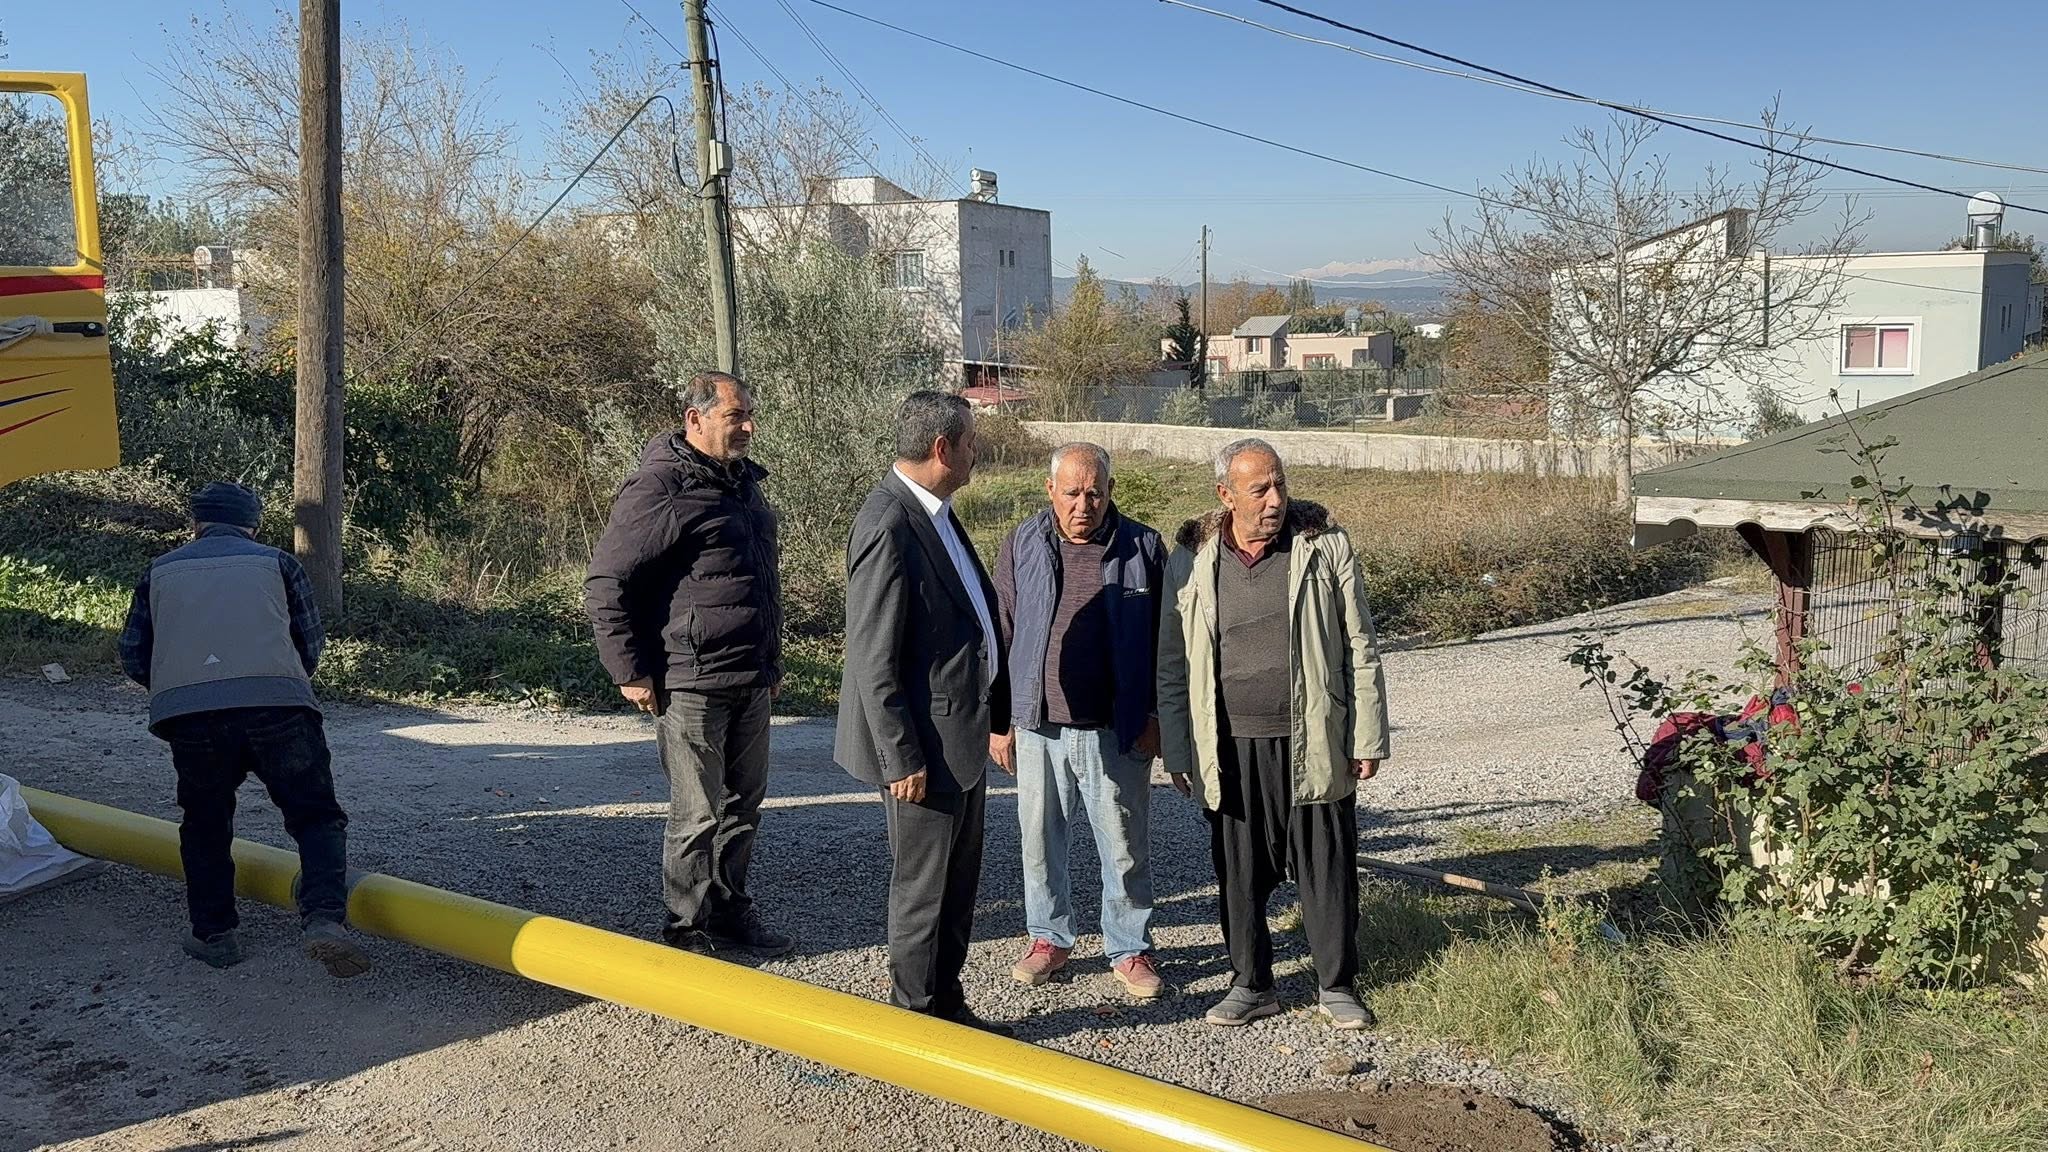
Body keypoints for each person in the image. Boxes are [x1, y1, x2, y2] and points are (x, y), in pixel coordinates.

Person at [1156, 438, 1391, 1030]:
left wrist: (1367, 734)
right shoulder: (1192, 559)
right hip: (1230, 744)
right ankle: (1251, 983)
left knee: (1326, 866)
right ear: (1225, 494)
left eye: (1279, 484)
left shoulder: (1324, 547)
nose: (1275, 499)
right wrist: (1180, 748)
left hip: (1312, 737)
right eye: (1259, 488)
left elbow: (1360, 646)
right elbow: (1172, 663)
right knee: (1238, 871)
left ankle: (1336, 984)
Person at [117, 481, 369, 978]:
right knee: (315, 816)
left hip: (192, 718)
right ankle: (323, 919)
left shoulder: (160, 571)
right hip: (279, 709)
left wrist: (188, 687)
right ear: (252, 524)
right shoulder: (277, 563)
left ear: (197, 523)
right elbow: (309, 644)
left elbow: (133, 654)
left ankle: (215, 936)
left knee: (205, 824)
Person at [585, 371, 793, 958]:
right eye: (736, 417)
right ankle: (685, 928)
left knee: (743, 806)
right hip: (691, 680)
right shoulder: (661, 486)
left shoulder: (743, 485)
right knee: (696, 812)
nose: (749, 427)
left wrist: (769, 663)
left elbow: (760, 584)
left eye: (749, 415)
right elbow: (607, 581)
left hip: (749, 676)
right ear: (694, 419)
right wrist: (629, 669)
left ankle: (729, 914)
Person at [835, 390, 1013, 1035]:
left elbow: (969, 623)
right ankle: (915, 1029)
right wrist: (900, 755)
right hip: (924, 751)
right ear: (943, 449)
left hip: (959, 741)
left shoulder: (936, 512)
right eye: (970, 442)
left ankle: (948, 1009)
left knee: (957, 888)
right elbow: (871, 656)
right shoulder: (889, 521)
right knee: (923, 895)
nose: (977, 453)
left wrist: (996, 713)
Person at [992, 442, 1168, 999]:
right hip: (1038, 722)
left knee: (1122, 842)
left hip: (1114, 725)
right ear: (1051, 491)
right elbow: (1001, 632)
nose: (1083, 504)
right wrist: (1000, 720)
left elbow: (1170, 641)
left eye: (1094, 492)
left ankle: (1129, 946)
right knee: (1040, 838)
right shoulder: (1022, 542)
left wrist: (1156, 715)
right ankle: (1049, 937)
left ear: (1110, 491)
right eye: (1071, 492)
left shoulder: (1144, 547)